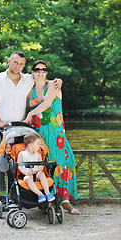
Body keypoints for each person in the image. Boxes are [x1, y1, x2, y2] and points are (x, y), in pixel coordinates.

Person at [0, 52, 62, 215]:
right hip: (1, 129)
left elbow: (43, 78)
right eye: (15, 62)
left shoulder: (28, 79)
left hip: (22, 130)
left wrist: (58, 81)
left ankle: (26, 196)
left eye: (21, 64)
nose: (18, 66)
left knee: (21, 165)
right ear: (8, 61)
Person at [24, 60, 80, 214]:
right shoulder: (30, 91)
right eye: (37, 69)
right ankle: (49, 198)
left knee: (62, 163)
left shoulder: (54, 85)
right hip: (39, 134)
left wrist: (30, 113)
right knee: (44, 166)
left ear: (46, 72)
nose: (40, 72)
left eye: (43, 69)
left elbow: (47, 104)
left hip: (56, 133)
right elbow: (27, 107)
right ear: (33, 72)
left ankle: (65, 201)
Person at [17, 132, 55, 203]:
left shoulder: (38, 155)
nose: (39, 146)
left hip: (36, 174)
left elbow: (41, 167)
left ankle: (47, 193)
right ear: (31, 145)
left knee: (41, 174)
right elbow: (20, 167)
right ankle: (40, 194)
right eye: (38, 144)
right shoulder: (21, 154)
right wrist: (26, 172)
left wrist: (35, 170)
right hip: (27, 175)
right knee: (28, 178)